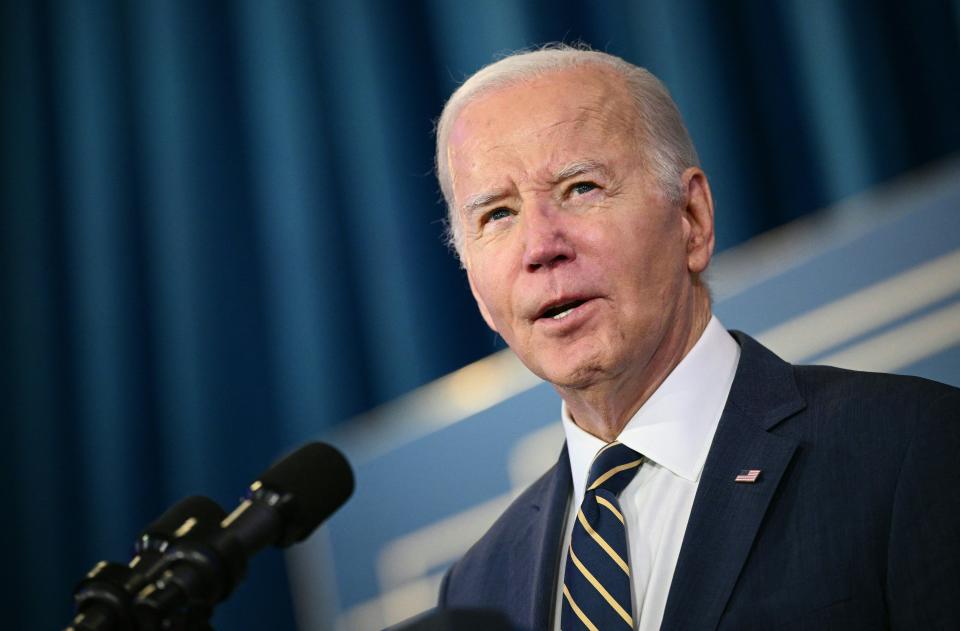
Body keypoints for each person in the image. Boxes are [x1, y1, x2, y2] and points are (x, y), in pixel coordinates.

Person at [433, 45, 960, 630]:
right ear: (478, 292)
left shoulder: (908, 446)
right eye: (497, 216)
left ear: (692, 219)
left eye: (580, 188)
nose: (540, 247)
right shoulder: (478, 587)